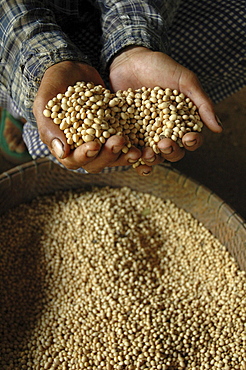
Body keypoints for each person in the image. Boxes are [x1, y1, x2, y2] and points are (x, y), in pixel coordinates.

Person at [0, 0, 244, 176]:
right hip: (22, 32)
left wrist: (133, 44)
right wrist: (46, 64)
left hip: (137, 14)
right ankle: (20, 110)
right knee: (32, 83)